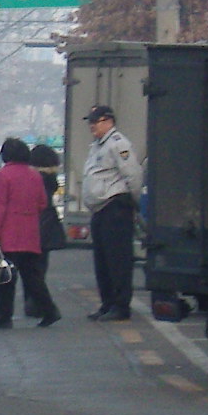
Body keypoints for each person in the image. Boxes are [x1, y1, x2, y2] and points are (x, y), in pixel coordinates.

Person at [0, 134, 58, 329]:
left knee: (5, 279)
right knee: (33, 277)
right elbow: (43, 202)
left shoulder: (3, 175)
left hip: (9, 233)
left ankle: (4, 317)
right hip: (31, 233)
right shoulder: (34, 175)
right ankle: (50, 310)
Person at [81, 103, 142, 321]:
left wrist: (131, 202)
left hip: (115, 207)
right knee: (103, 261)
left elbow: (133, 175)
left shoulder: (118, 144)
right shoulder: (97, 146)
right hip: (100, 210)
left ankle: (120, 305)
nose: (91, 126)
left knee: (118, 260)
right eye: (90, 122)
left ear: (108, 121)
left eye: (95, 122)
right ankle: (107, 303)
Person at [29, 143, 66, 259]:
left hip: (27, 228)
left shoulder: (30, 179)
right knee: (39, 268)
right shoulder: (49, 180)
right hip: (44, 228)